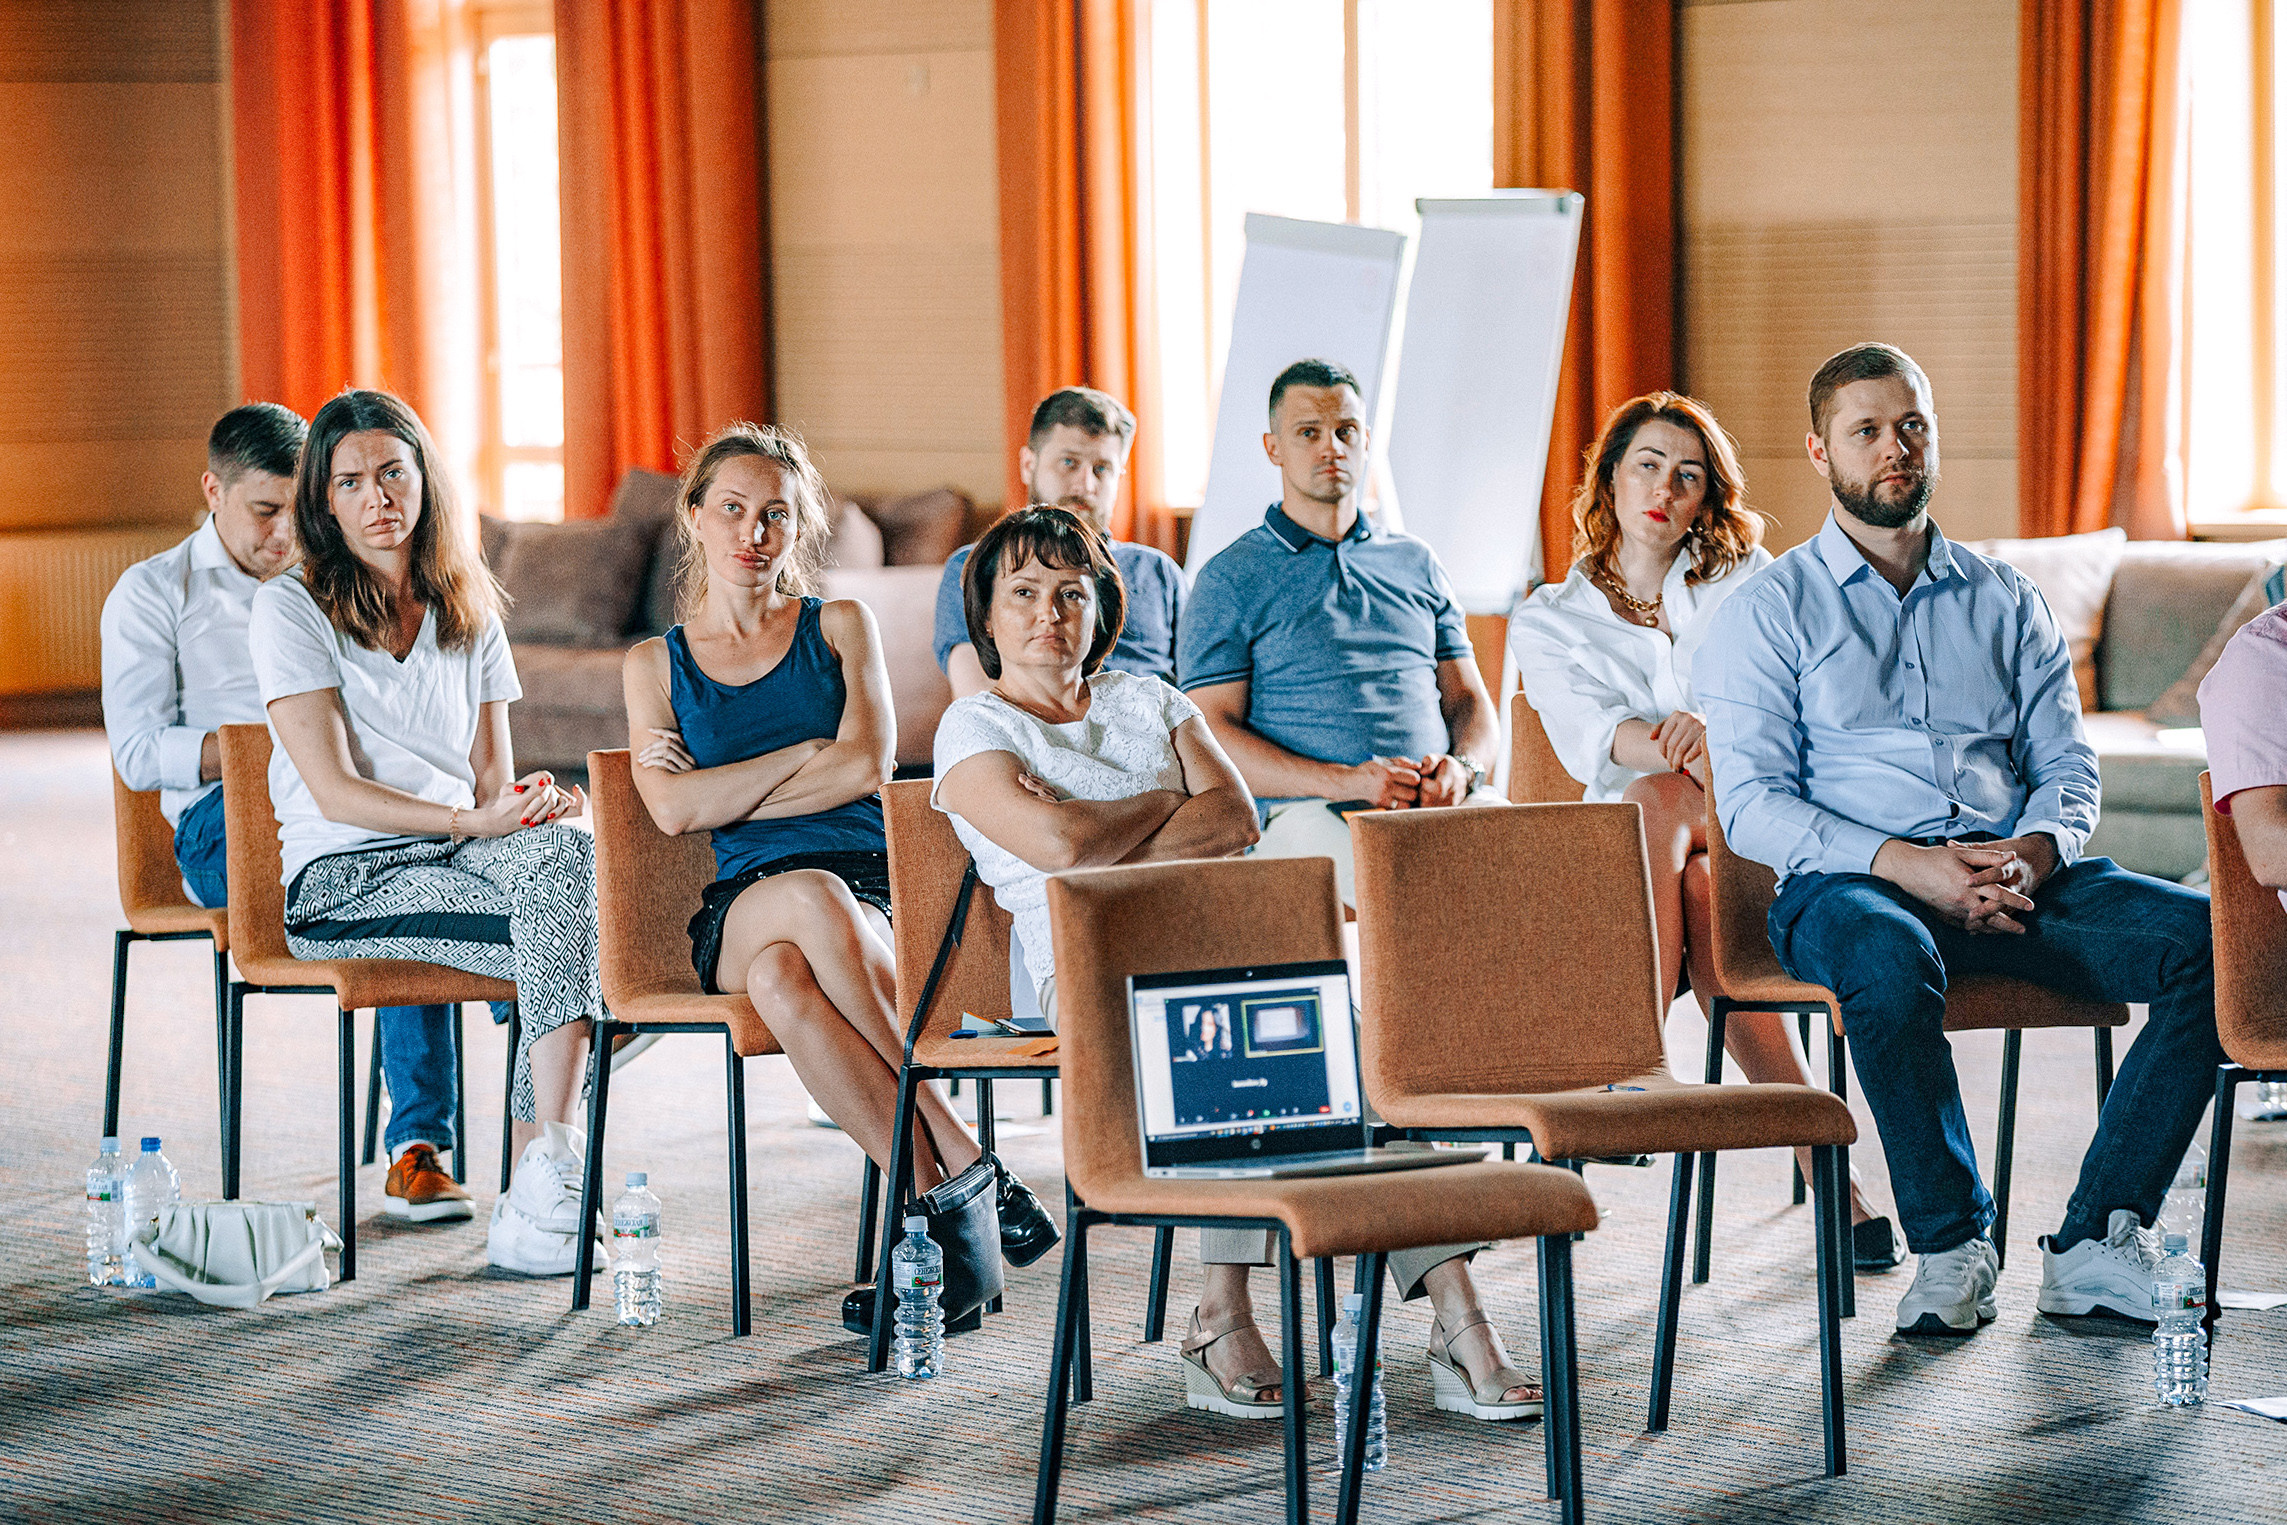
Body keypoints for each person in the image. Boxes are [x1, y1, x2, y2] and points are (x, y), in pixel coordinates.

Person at [935, 508, 1541, 1425]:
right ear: (987, 618)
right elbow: (1057, 847)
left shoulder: (1153, 699)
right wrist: (1160, 801)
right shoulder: (971, 727)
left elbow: (1235, 820)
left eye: (1070, 591)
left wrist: (1107, 834)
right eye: (1022, 593)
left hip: (1228, 954)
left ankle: (1442, 1321)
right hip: (1093, 978)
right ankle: (1322, 1322)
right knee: (1262, 1061)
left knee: (1368, 1065)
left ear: (1103, 608)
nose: (1048, 612)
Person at [1697, 342, 2223, 1336]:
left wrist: (2032, 849)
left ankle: (2097, 1243)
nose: (1895, 448)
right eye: (1866, 431)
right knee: (1888, 955)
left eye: (1911, 426)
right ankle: (1949, 1246)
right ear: (1819, 450)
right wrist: (1911, 868)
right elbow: (1754, 803)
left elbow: (2067, 768)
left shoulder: (2003, 597)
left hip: (2011, 868)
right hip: (1851, 882)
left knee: (2211, 946)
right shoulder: (1764, 613)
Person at [622, 423, 1058, 1308]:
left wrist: (728, 785)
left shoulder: (839, 625)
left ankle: (936, 1235)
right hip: (742, 902)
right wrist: (799, 755)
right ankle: (970, 1156)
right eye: (734, 510)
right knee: (796, 913)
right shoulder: (653, 665)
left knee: (789, 980)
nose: (754, 533)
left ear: (798, 525)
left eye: (775, 515)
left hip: (867, 890)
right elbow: (671, 811)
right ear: (696, 518)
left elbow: (866, 767)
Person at [1508, 391, 1894, 1265]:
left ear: (1705, 495)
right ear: (1608, 478)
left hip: (1757, 826)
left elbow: (1796, 709)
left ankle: (1631, 1061)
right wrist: (1688, 735)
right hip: (1626, 861)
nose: (1664, 488)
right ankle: (1831, 1174)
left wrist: (1714, 736)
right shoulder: (1548, 615)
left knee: (1671, 816)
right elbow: (1591, 738)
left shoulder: (1750, 580)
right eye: (1646, 463)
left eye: (1687, 475)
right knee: (1682, 863)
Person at [102, 403, 481, 1230]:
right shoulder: (152, 592)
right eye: (264, 512)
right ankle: (528, 1040)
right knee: (387, 863)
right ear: (213, 491)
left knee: (403, 861)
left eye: (294, 509)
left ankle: (418, 1145)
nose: (285, 533)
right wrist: (277, 741)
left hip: (345, 806)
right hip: (218, 819)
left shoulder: (341, 583)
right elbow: (135, 752)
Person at [250, 389, 603, 1275]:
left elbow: (493, 778)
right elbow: (333, 789)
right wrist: (473, 819)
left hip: (461, 852)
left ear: (424, 480)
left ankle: (540, 1174)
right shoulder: (289, 608)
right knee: (566, 941)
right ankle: (544, 1180)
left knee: (568, 857)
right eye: (353, 481)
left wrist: (531, 806)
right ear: (323, 500)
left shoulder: (466, 601)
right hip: (346, 879)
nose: (379, 497)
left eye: (394, 472)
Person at [1179, 358, 1499, 909]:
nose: (1332, 448)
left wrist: (1463, 769)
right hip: (1305, 813)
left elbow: (1469, 698)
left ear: (1366, 439)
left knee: (1546, 875)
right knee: (1421, 911)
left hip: (1439, 804)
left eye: (1345, 431)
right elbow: (1211, 736)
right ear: (1273, 447)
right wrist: (1345, 781)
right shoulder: (1230, 577)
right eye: (1309, 433)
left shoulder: (1416, 561)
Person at [935, 387, 1185, 697]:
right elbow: (977, 696)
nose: (1086, 484)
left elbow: (1199, 694)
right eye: (1069, 463)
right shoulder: (978, 564)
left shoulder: (1158, 571)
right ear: (1029, 465)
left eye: (1102, 469)